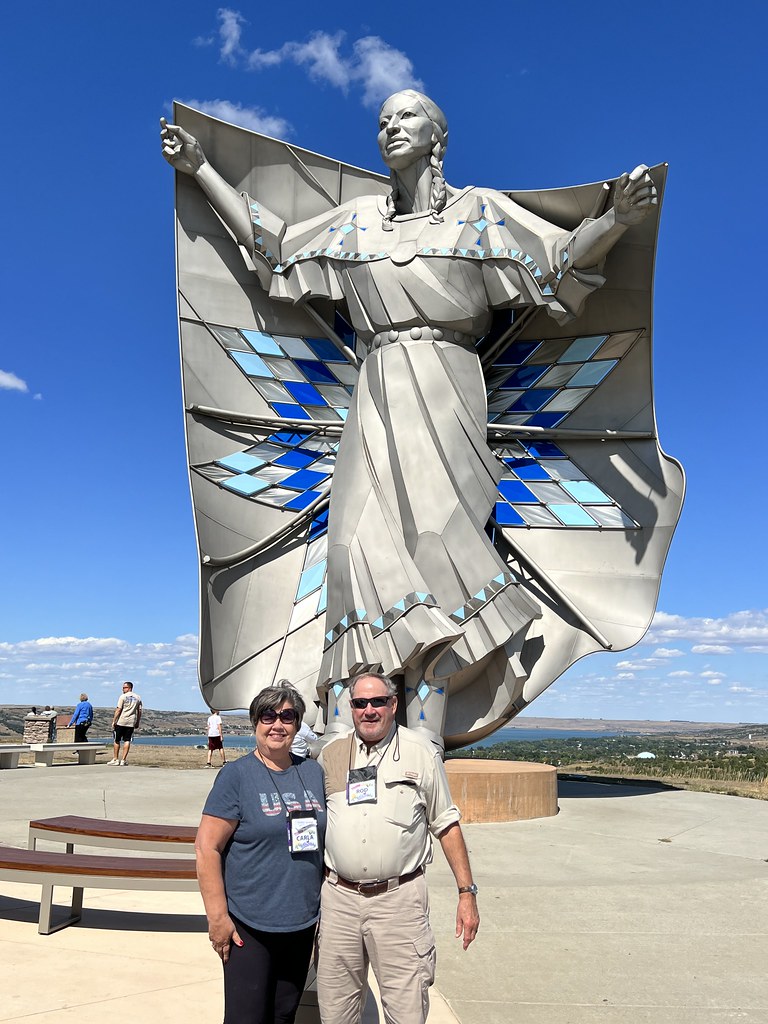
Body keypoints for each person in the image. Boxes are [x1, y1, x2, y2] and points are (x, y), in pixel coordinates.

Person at [161, 92, 657, 743]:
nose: (391, 126)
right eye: (383, 120)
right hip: (374, 387)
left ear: (438, 137)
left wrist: (615, 219)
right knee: (350, 551)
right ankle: (346, 725)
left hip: (447, 384)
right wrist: (202, 170)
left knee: (434, 544)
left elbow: (561, 266)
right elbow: (276, 252)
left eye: (407, 117)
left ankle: (423, 727)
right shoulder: (358, 222)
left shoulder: (477, 214)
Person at [316, 671, 479, 1024]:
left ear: (393, 704)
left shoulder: (420, 752)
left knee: (405, 1010)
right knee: (335, 1011)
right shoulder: (331, 754)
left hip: (399, 902)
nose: (369, 710)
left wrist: (467, 893)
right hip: (339, 901)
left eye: (378, 702)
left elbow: (446, 824)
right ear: (351, 707)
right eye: (360, 703)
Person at [196, 684, 326, 1024]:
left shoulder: (312, 772)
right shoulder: (236, 776)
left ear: (298, 725)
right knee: (246, 1018)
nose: (277, 725)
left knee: (283, 1014)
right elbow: (206, 848)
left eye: (287, 716)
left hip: (300, 922)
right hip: (248, 925)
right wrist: (218, 918)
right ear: (255, 722)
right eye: (268, 716)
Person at [109, 681, 142, 765]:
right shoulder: (138, 697)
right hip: (131, 722)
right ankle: (123, 760)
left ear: (129, 688)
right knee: (127, 740)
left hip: (121, 721)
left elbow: (119, 709)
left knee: (117, 740)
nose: (123, 689)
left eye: (124, 687)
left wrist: (114, 720)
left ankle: (116, 759)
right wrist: (137, 721)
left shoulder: (123, 697)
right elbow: (139, 710)